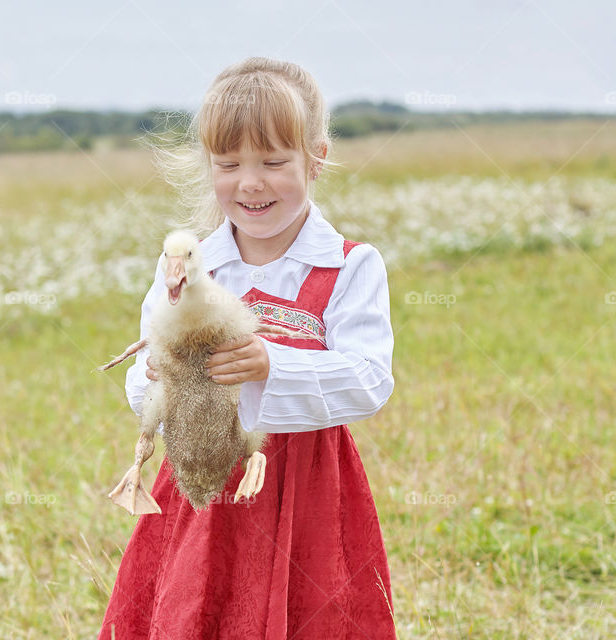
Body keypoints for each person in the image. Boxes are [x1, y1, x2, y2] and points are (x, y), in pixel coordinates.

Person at [98, 57, 396, 639]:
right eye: (229, 164)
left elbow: (369, 379)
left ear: (316, 157)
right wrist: (160, 376)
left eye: (273, 162)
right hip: (201, 485)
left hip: (309, 488)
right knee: (195, 611)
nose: (250, 183)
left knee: (310, 615)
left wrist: (271, 365)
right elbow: (141, 381)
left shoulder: (348, 265)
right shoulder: (186, 266)